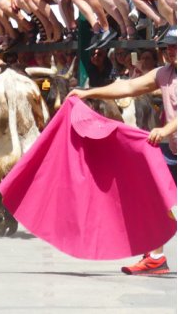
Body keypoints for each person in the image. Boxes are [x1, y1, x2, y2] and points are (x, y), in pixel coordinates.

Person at [68, 30, 176, 276]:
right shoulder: (164, 73)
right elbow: (128, 86)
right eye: (168, 47)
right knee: (155, 199)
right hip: (173, 149)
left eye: (175, 47)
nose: (171, 51)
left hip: (171, 139)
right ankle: (155, 257)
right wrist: (89, 92)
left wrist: (166, 128)